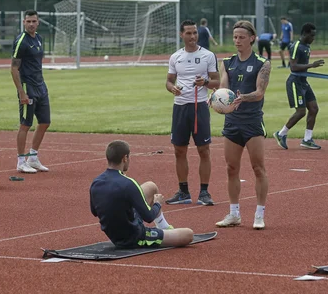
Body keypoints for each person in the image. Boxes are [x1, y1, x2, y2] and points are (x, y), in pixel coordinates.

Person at [215, 20, 271, 230]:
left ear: (252, 39)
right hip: (232, 123)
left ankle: (259, 214)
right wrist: (217, 100)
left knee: (258, 168)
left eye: (241, 37)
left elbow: (260, 92)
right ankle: (234, 213)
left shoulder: (262, 63)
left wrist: (242, 98)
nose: (237, 41)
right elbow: (223, 88)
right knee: (231, 168)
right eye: (235, 37)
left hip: (252, 122)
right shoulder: (227, 62)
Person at [90, 140, 194, 248]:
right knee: (188, 234)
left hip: (115, 231)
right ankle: (162, 231)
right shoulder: (129, 183)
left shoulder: (96, 182)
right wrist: (157, 204)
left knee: (150, 186)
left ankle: (164, 226)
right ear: (125, 158)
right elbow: (148, 217)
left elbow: (94, 211)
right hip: (134, 237)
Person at [165, 20, 220, 206]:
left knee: (204, 150)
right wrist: (173, 89)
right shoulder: (175, 57)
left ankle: (204, 192)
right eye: (188, 33)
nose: (193, 37)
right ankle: (183, 191)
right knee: (179, 150)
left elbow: (217, 82)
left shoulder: (208, 55)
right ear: (181, 35)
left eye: (195, 33)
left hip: (199, 107)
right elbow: (169, 81)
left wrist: (204, 83)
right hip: (180, 107)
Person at [273, 23, 325, 150]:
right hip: (295, 82)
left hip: (303, 82)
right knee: (301, 111)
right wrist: (312, 66)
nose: (313, 38)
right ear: (305, 34)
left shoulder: (307, 47)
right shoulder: (296, 46)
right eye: (312, 35)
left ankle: (307, 139)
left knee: (313, 108)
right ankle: (281, 134)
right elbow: (293, 67)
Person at [11, 10, 50, 174]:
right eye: (28, 21)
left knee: (45, 122)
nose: (31, 24)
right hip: (28, 88)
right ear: (23, 22)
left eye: (34, 21)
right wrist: (21, 92)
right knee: (25, 124)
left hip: (41, 86)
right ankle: (21, 160)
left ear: (38, 22)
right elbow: (14, 69)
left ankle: (33, 158)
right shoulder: (21, 41)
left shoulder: (39, 39)